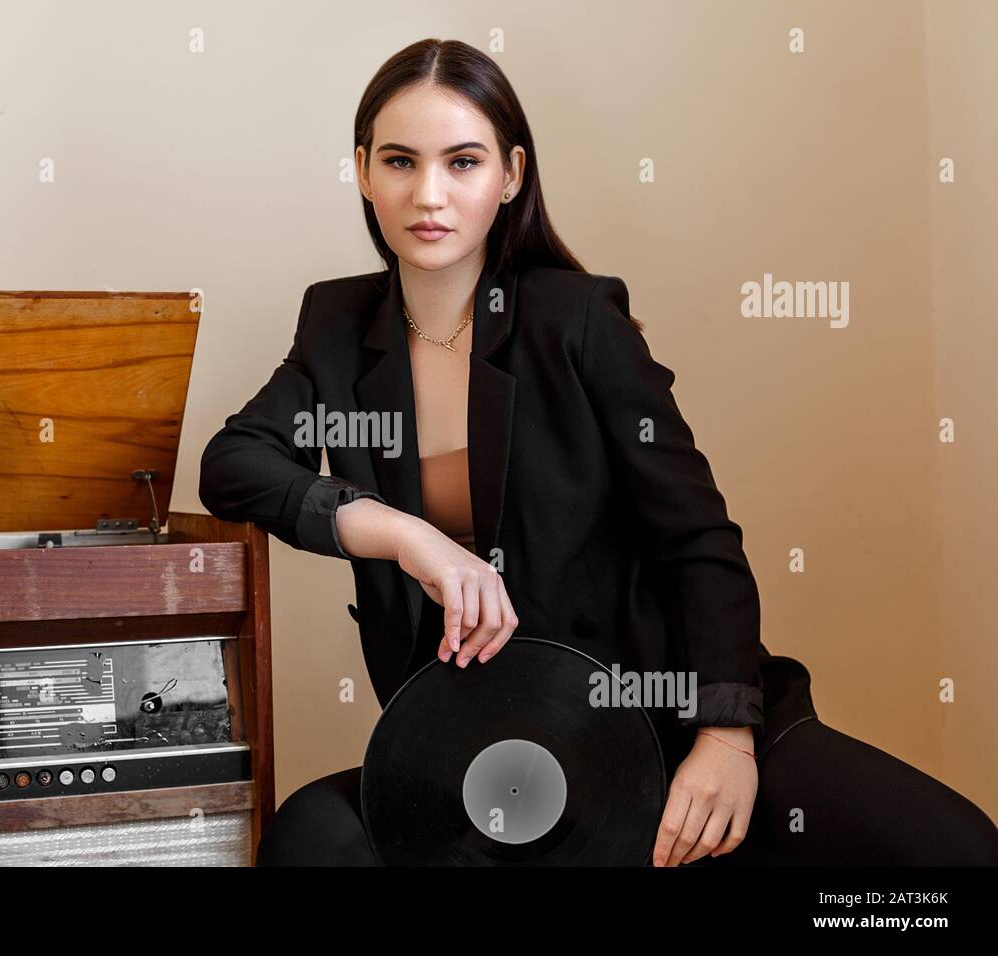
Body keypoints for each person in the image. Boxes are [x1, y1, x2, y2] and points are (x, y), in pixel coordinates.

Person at [198, 38, 998, 866]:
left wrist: (726, 738)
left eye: (462, 162)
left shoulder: (577, 320)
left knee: (957, 857)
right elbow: (232, 464)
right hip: (486, 744)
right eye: (400, 161)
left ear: (509, 175)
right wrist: (406, 534)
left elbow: (700, 541)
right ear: (362, 171)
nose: (427, 194)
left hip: (669, 711)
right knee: (310, 839)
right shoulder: (336, 328)